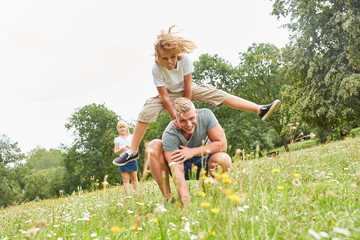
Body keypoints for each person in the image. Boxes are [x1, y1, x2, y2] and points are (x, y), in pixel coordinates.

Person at [113, 25, 280, 166]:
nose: (170, 61)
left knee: (218, 94)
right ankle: (132, 152)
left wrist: (187, 105)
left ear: (178, 53)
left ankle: (260, 109)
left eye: (173, 57)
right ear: (158, 57)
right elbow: (164, 96)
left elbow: (187, 85)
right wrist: (175, 118)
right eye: (165, 58)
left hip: (188, 89)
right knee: (145, 113)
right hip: (169, 94)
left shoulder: (184, 60)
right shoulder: (156, 68)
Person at [147, 97, 232, 206]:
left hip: (202, 161)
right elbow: (177, 171)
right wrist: (188, 205)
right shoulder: (170, 134)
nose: (189, 124)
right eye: (183, 120)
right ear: (175, 118)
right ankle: (169, 200)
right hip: (180, 165)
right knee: (153, 145)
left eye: (192, 118)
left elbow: (222, 145)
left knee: (224, 159)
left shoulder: (207, 115)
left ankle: (205, 194)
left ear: (196, 112)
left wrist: (192, 152)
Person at [113, 121, 139, 195]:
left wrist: (131, 147)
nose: (122, 129)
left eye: (123, 127)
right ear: (118, 129)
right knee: (126, 179)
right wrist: (121, 149)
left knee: (134, 178)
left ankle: (137, 194)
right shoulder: (117, 139)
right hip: (122, 161)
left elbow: (136, 148)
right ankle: (128, 196)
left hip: (131, 159)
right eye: (120, 127)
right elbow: (116, 152)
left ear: (127, 128)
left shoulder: (131, 137)